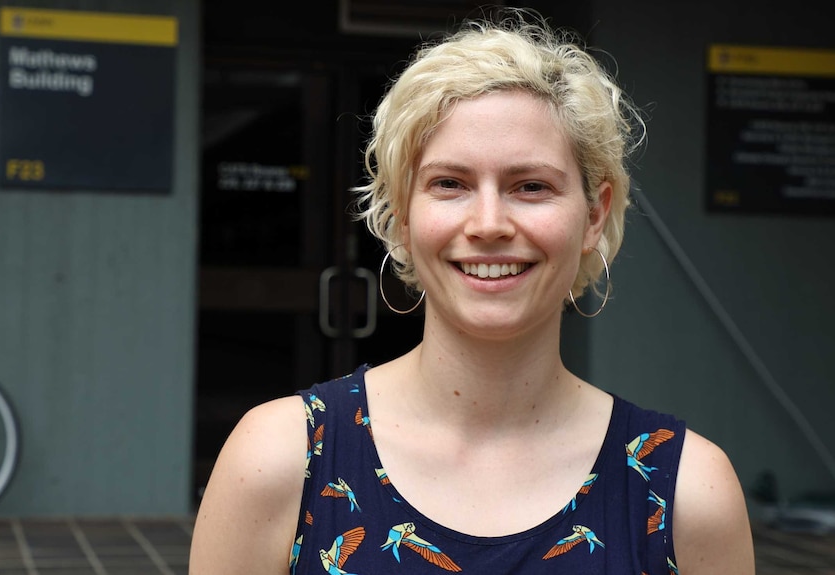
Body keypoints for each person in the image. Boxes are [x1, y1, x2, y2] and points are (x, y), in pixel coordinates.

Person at [189, 9, 755, 574]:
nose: (488, 223)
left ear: (593, 215)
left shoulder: (685, 492)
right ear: (402, 216)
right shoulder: (282, 460)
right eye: (449, 184)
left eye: (530, 186)